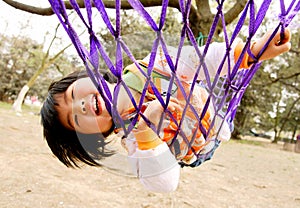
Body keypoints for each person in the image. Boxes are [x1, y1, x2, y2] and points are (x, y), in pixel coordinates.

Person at [41, 29, 291, 192]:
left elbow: (204, 59)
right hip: (199, 145)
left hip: (208, 109)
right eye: (74, 119)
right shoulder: (133, 141)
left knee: (194, 81)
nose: (80, 105)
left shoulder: (149, 68)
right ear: (96, 136)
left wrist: (254, 50)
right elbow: (165, 182)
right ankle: (217, 130)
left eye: (74, 94)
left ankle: (220, 123)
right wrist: (145, 130)